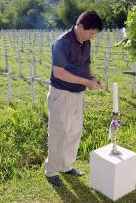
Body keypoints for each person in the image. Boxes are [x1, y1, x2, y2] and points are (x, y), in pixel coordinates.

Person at [44, 10, 103, 186]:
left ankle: (66, 165)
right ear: (80, 26)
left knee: (74, 132)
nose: (93, 37)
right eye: (91, 33)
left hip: (78, 94)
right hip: (61, 94)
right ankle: (51, 170)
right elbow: (59, 73)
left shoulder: (86, 42)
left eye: (95, 34)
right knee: (59, 132)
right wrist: (86, 81)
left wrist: (91, 79)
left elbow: (87, 65)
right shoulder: (61, 43)